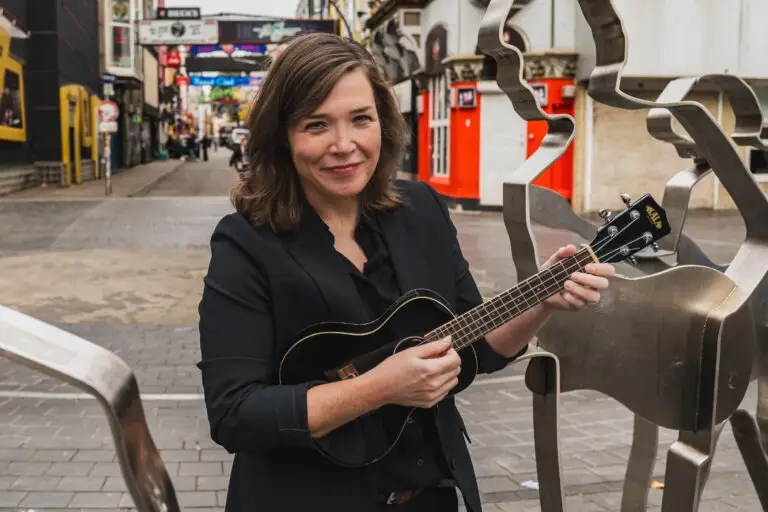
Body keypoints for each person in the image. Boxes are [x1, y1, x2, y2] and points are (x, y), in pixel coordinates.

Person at [197, 33, 615, 512]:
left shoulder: (420, 211)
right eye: (316, 125)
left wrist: (541, 300)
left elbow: (475, 346)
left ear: (384, 122)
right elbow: (235, 414)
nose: (344, 144)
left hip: (429, 497)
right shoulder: (246, 243)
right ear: (282, 137)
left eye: (361, 119)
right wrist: (378, 388)